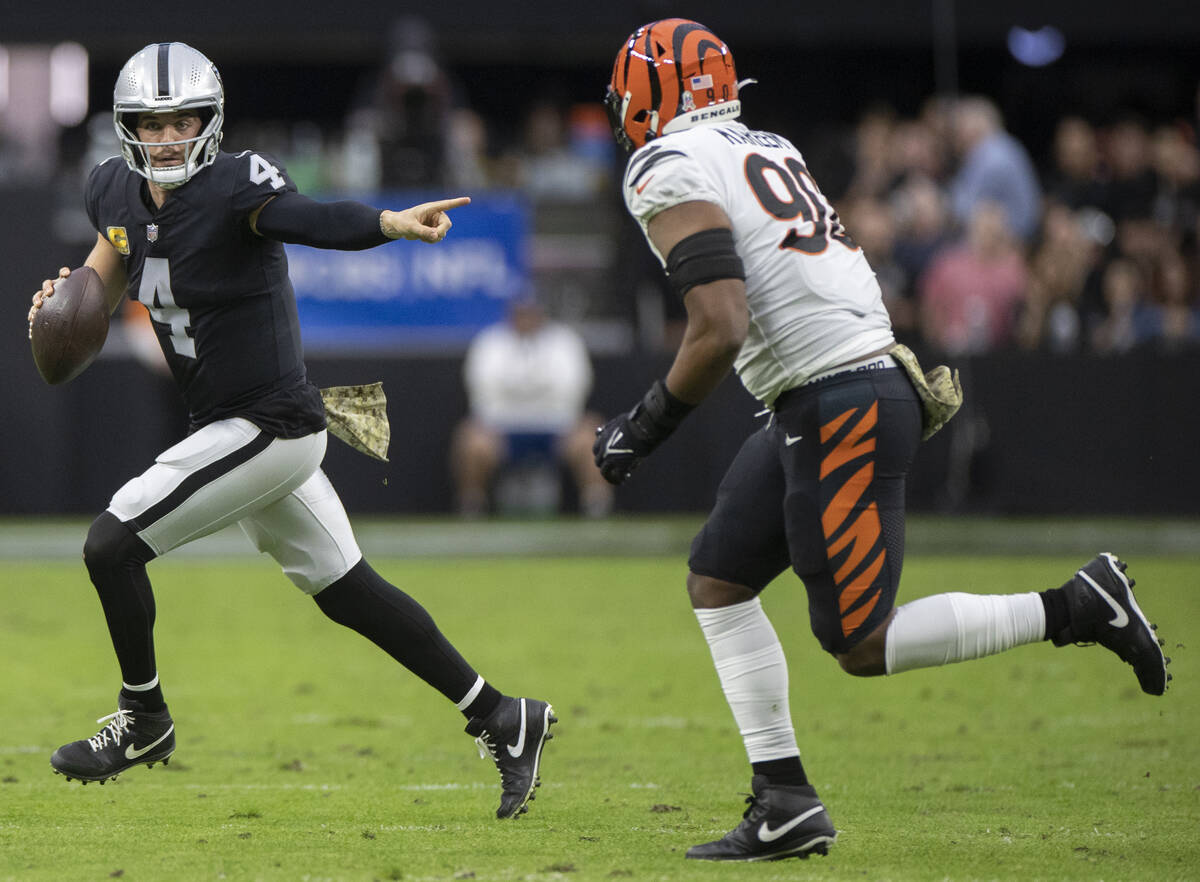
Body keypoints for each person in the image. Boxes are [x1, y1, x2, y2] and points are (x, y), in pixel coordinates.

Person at [595, 19, 1170, 863]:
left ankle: (1078, 605)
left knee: (862, 642)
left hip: (838, 399)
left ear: (653, 92)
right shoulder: (765, 143)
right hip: (835, 388)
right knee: (718, 579)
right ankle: (784, 800)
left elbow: (719, 323)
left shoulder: (667, 163)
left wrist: (641, 428)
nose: (620, 112)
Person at [26, 42, 554, 820]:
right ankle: (505, 717)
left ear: (210, 122)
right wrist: (64, 302)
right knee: (350, 593)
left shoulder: (237, 183)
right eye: (154, 123)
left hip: (269, 425)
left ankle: (144, 719)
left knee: (110, 543)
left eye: (184, 121)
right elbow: (103, 278)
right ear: (127, 127)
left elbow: (312, 218)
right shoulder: (113, 191)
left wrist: (387, 221)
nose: (170, 137)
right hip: (236, 428)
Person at [450, 294, 613, 518]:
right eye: (521, 312)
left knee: (591, 434)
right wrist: (540, 388)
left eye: (531, 312)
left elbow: (573, 389)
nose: (526, 319)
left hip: (557, 429)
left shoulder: (565, 341)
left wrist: (515, 388)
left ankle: (597, 505)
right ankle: (472, 506)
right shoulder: (489, 342)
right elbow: (483, 391)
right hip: (502, 430)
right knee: (471, 439)